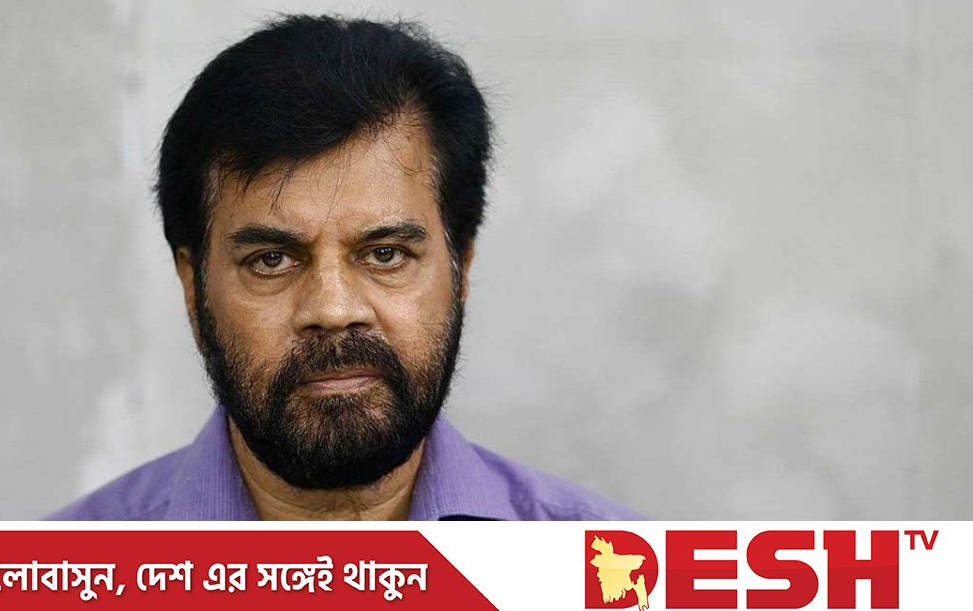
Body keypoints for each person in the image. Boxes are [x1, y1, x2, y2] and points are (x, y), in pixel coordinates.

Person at [50, 14, 639, 521]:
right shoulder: (57, 586)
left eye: (386, 254)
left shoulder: (624, 584)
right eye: (271, 260)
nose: (333, 311)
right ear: (192, 287)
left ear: (461, 266)